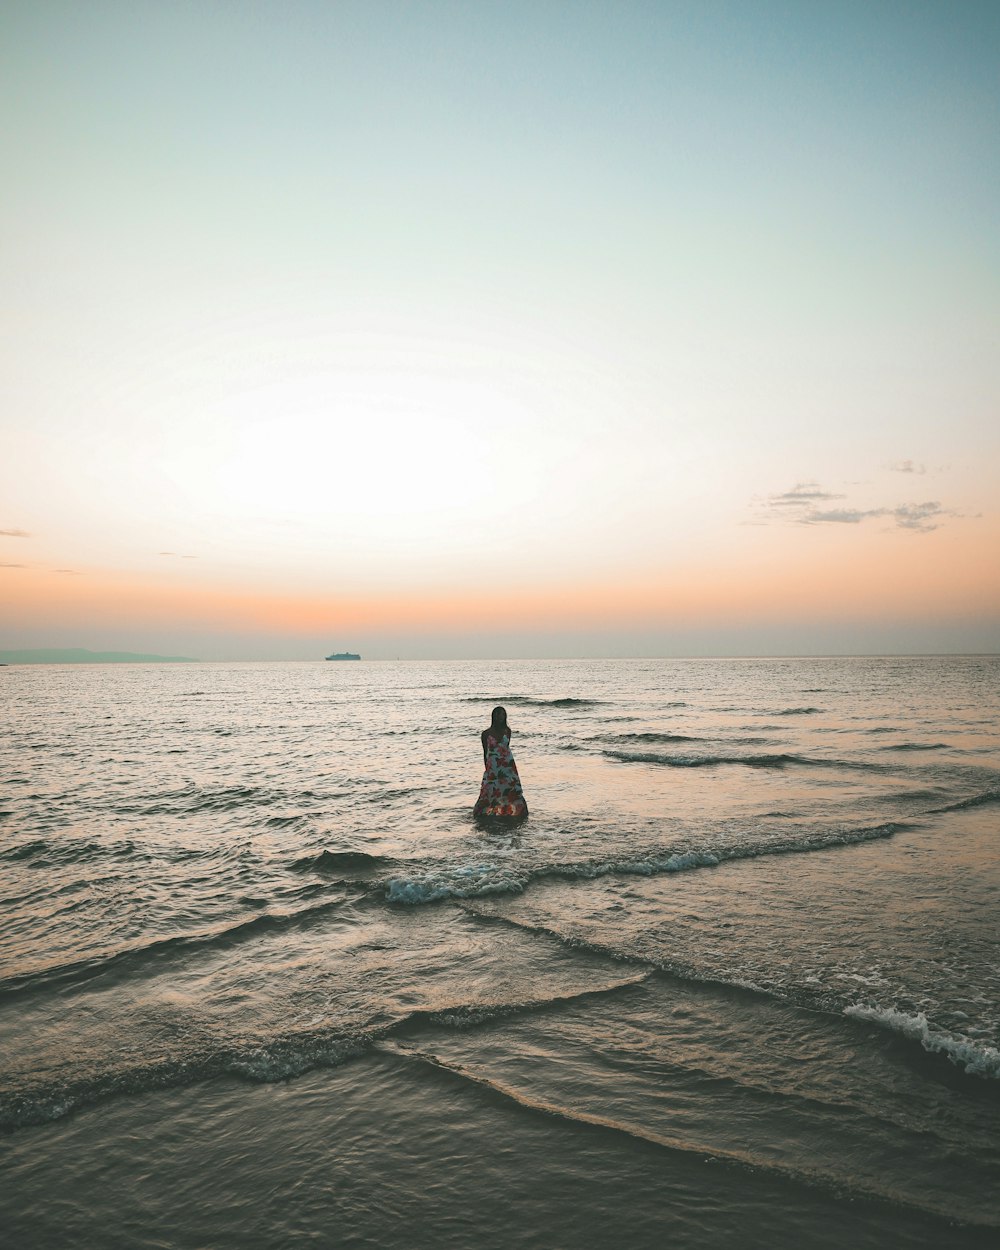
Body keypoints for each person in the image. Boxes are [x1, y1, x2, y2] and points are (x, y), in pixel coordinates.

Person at [473, 706, 528, 818]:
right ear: (493, 716)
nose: (500, 717)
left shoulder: (507, 731)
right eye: (498, 714)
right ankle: (483, 813)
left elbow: (506, 748)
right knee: (489, 789)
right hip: (493, 765)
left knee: (511, 789)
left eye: (502, 714)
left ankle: (512, 811)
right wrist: (487, 768)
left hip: (508, 765)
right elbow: (485, 752)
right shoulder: (486, 734)